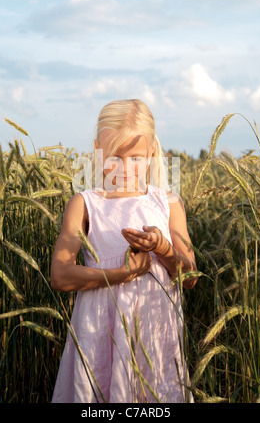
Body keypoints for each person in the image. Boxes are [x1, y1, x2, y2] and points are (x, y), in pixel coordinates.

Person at [51, 99, 197, 403]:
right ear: (97, 149)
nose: (125, 167)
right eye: (114, 156)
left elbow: (190, 277)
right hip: (99, 333)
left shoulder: (168, 203)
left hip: (154, 333)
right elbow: (61, 275)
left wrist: (162, 248)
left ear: (152, 152)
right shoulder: (85, 203)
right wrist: (121, 274)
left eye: (137, 158)